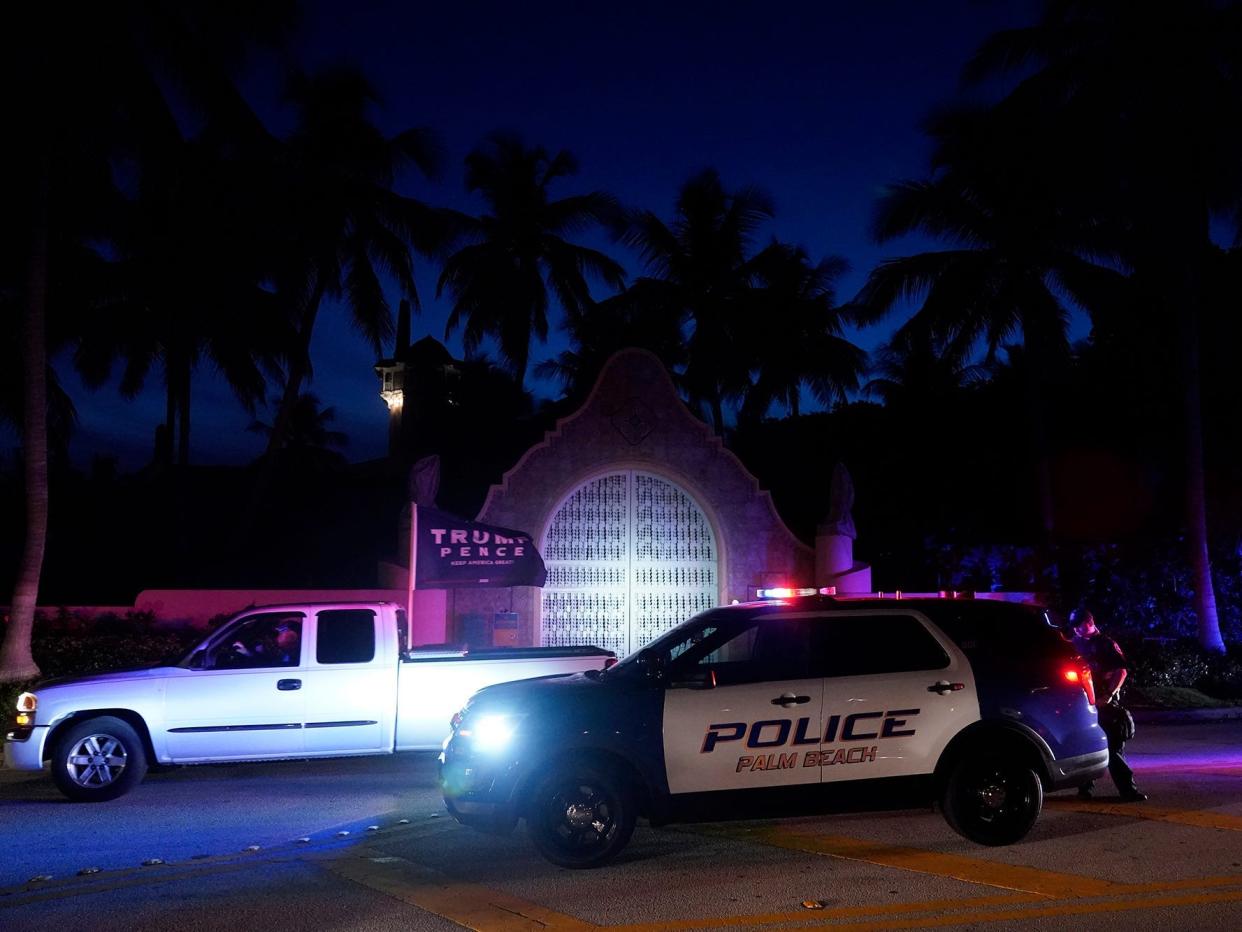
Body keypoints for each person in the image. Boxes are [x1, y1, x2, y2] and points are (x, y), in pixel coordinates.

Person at [1069, 607, 1147, 802]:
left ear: (1089, 622)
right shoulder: (1075, 642)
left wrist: (1109, 695)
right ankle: (1084, 789)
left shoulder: (1106, 644)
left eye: (1078, 626)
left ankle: (1127, 790)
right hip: (1083, 702)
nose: (1076, 630)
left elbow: (1121, 671)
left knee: (1113, 748)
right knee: (1086, 745)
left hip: (1105, 702)